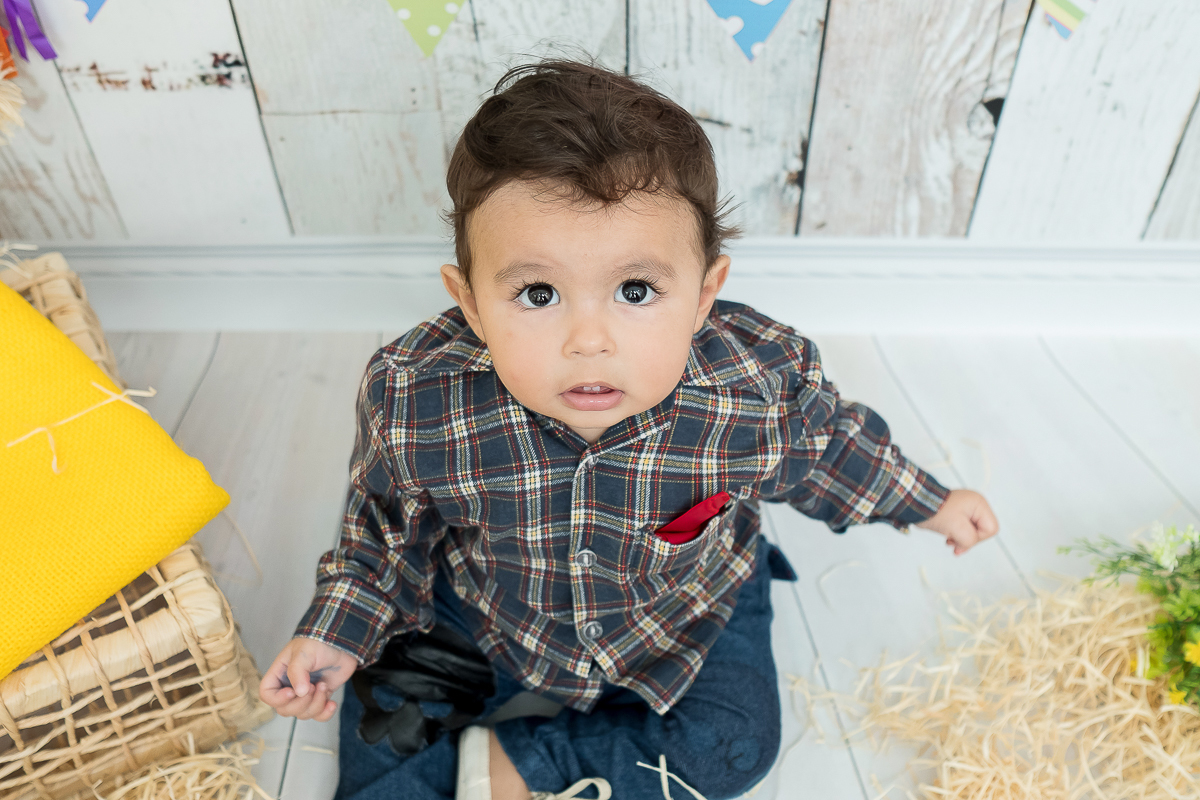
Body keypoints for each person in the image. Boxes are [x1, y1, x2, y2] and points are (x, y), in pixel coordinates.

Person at [258, 58, 1000, 800]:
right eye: (538, 293)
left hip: (682, 617)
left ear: (706, 293)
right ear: (472, 302)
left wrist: (929, 501)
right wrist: (336, 629)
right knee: (383, 734)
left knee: (734, 744)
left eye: (635, 290)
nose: (590, 338)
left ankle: (523, 764)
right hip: (487, 615)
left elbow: (833, 451)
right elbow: (385, 531)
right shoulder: (417, 394)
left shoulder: (753, 389)